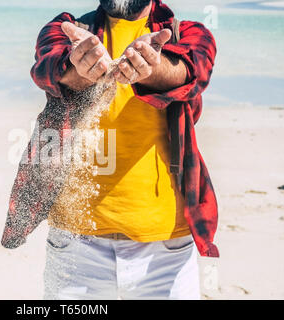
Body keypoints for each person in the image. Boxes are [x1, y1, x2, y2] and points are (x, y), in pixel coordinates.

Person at [28, 0, 219, 299]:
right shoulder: (66, 30)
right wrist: (81, 67)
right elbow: (50, 70)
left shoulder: (188, 34)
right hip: (75, 246)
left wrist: (152, 68)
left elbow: (190, 72)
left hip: (166, 247)